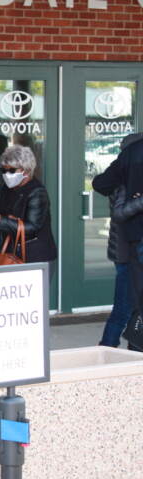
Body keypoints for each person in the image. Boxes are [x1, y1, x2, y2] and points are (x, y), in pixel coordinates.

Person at [93, 132, 143, 348]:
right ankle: (111, 347)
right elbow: (120, 212)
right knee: (126, 306)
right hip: (126, 249)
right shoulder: (122, 182)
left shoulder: (126, 169)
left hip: (128, 246)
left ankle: (130, 348)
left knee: (130, 305)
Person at [0, 145, 57, 277]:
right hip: (12, 254)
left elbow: (32, 227)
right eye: (3, 170)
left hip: (36, 256)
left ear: (26, 171)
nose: (6, 175)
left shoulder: (37, 192)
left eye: (11, 170)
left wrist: (1, 219)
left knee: (34, 297)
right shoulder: (8, 188)